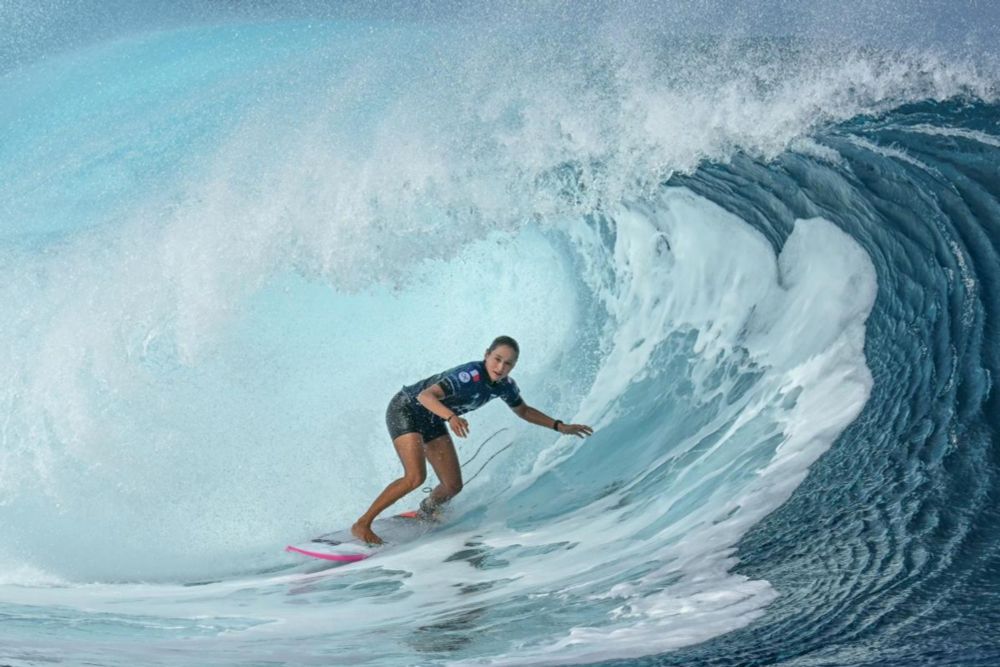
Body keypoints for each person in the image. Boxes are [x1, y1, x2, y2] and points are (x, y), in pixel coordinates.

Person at [351, 335, 593, 544]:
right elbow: (426, 396)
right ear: (486, 355)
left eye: (508, 363)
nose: (500, 366)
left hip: (433, 419)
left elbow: (524, 411)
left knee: (452, 485)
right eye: (497, 359)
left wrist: (560, 426)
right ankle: (362, 524)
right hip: (407, 408)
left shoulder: (505, 387)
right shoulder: (469, 375)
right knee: (415, 476)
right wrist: (451, 416)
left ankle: (427, 510)